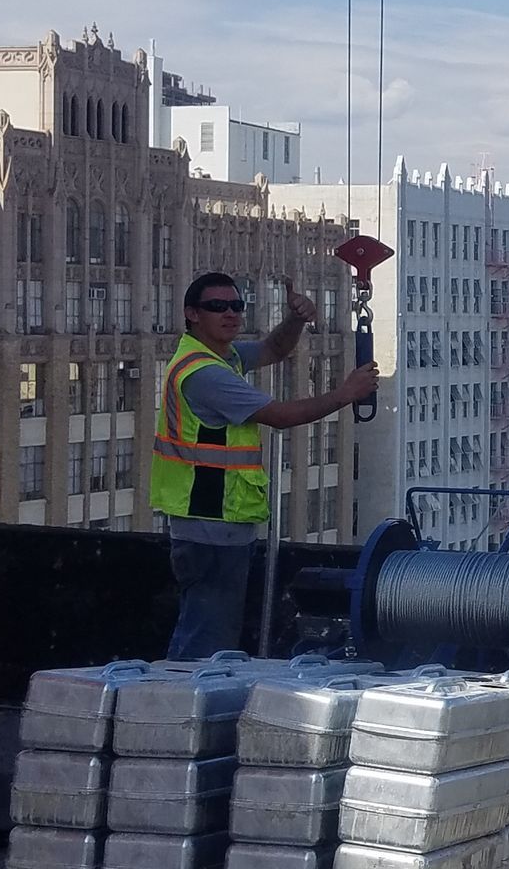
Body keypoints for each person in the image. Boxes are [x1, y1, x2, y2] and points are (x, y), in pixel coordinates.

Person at [153, 271, 380, 660]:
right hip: (210, 524)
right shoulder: (204, 373)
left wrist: (294, 320)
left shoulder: (219, 357)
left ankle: (186, 706)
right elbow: (279, 415)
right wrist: (346, 393)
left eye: (237, 306)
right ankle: (178, 712)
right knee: (205, 641)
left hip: (220, 522)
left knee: (209, 634)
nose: (230, 313)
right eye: (216, 306)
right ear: (192, 313)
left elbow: (273, 349)